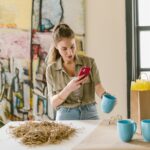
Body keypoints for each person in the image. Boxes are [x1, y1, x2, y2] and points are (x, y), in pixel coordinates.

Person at [46, 23, 107, 120]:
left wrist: (105, 97)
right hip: (65, 115)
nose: (70, 52)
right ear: (57, 47)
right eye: (64, 49)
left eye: (72, 47)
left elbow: (98, 86)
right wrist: (68, 89)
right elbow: (53, 103)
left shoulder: (89, 62)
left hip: (90, 112)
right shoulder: (51, 70)